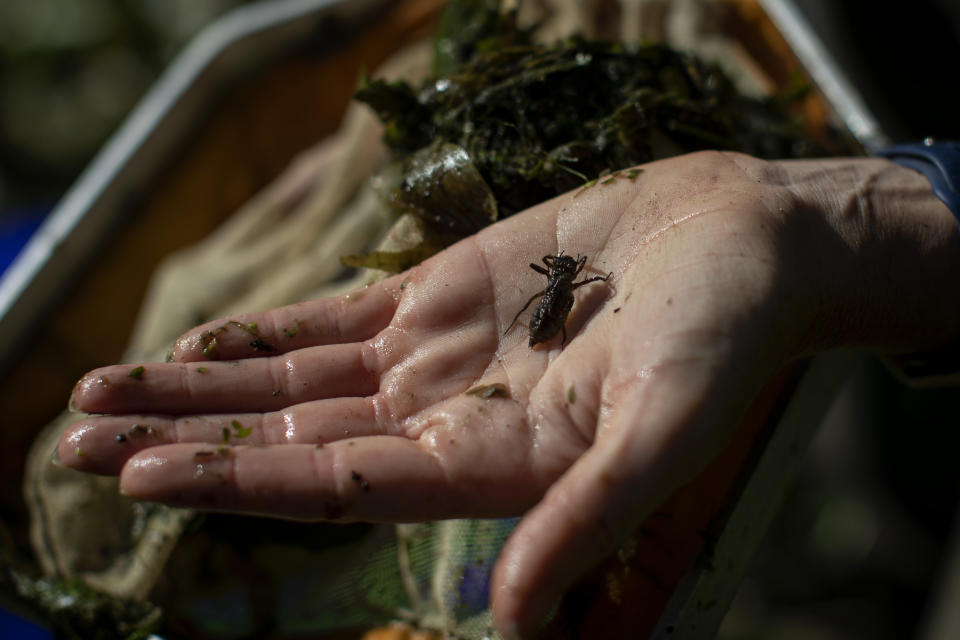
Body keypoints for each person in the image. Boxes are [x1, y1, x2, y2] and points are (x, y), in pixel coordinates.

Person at [58, 149, 960, 639]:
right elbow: (555, 290)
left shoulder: (567, 286)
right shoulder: (558, 287)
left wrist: (817, 226)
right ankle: (884, 552)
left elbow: (564, 289)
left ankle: (891, 551)